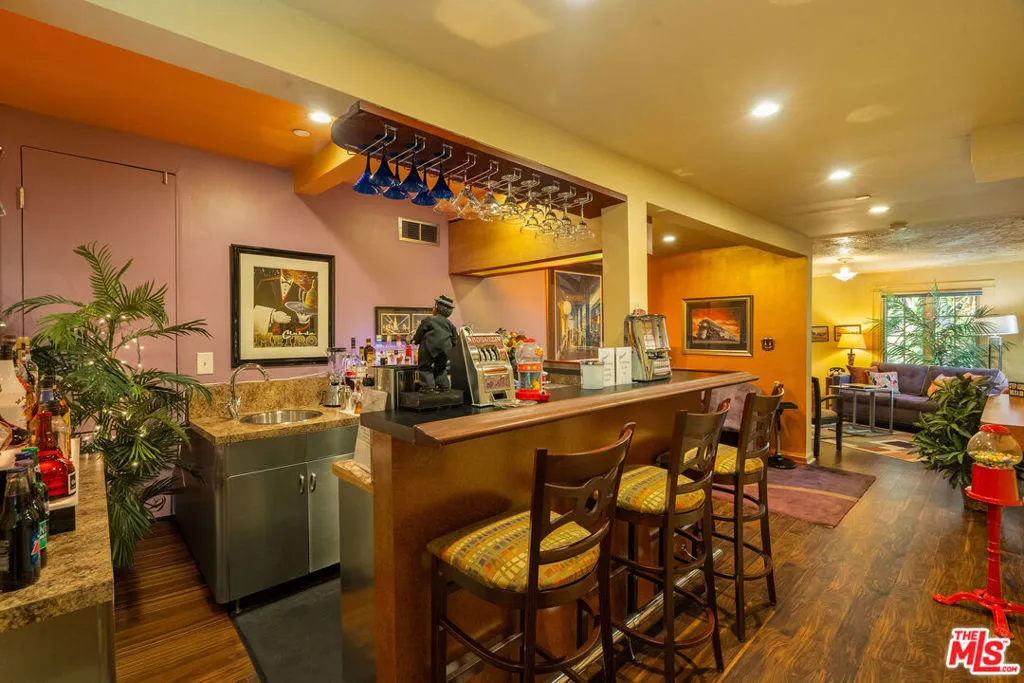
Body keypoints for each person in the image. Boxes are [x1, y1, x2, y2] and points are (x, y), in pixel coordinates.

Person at [413, 295, 458, 392]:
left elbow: (420, 332)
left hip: (429, 347)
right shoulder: (450, 324)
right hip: (445, 348)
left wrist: (415, 340)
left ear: (437, 309)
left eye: (434, 307)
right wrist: (451, 345)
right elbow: (455, 338)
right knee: (441, 367)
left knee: (425, 366)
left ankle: (428, 387)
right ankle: (444, 386)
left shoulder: (429, 320)